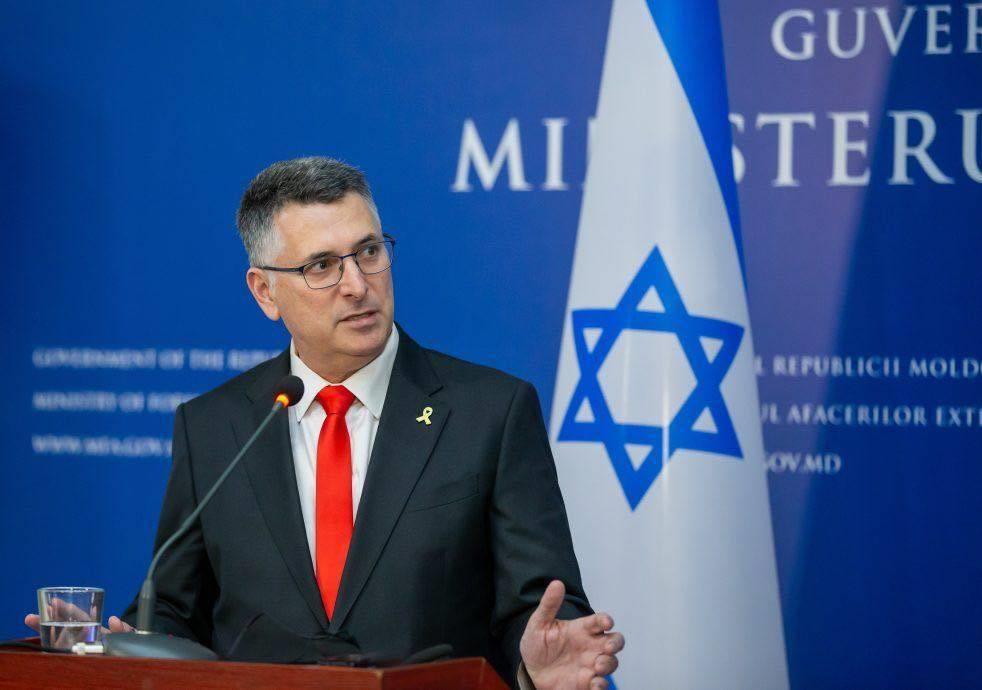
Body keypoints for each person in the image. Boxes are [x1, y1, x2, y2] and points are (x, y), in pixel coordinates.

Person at [26, 157, 623, 690]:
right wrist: (117, 648)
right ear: (265, 292)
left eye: (369, 252)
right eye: (321, 266)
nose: (358, 285)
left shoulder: (490, 411)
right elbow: (176, 609)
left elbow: (543, 607)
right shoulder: (214, 426)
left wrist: (534, 668)